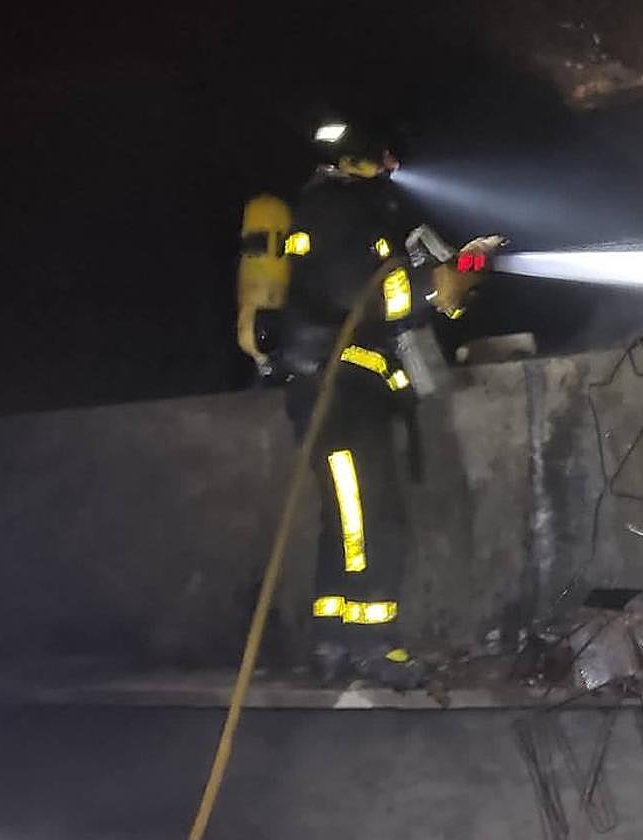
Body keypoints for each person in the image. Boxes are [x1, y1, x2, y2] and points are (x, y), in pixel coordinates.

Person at [279, 124, 421, 685]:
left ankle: (333, 644)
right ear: (354, 158)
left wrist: (439, 288)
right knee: (367, 521)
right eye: (383, 157)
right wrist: (428, 290)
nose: (392, 167)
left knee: (350, 519)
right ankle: (370, 646)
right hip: (338, 394)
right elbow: (355, 295)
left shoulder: (348, 213)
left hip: (349, 391)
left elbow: (387, 302)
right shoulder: (336, 211)